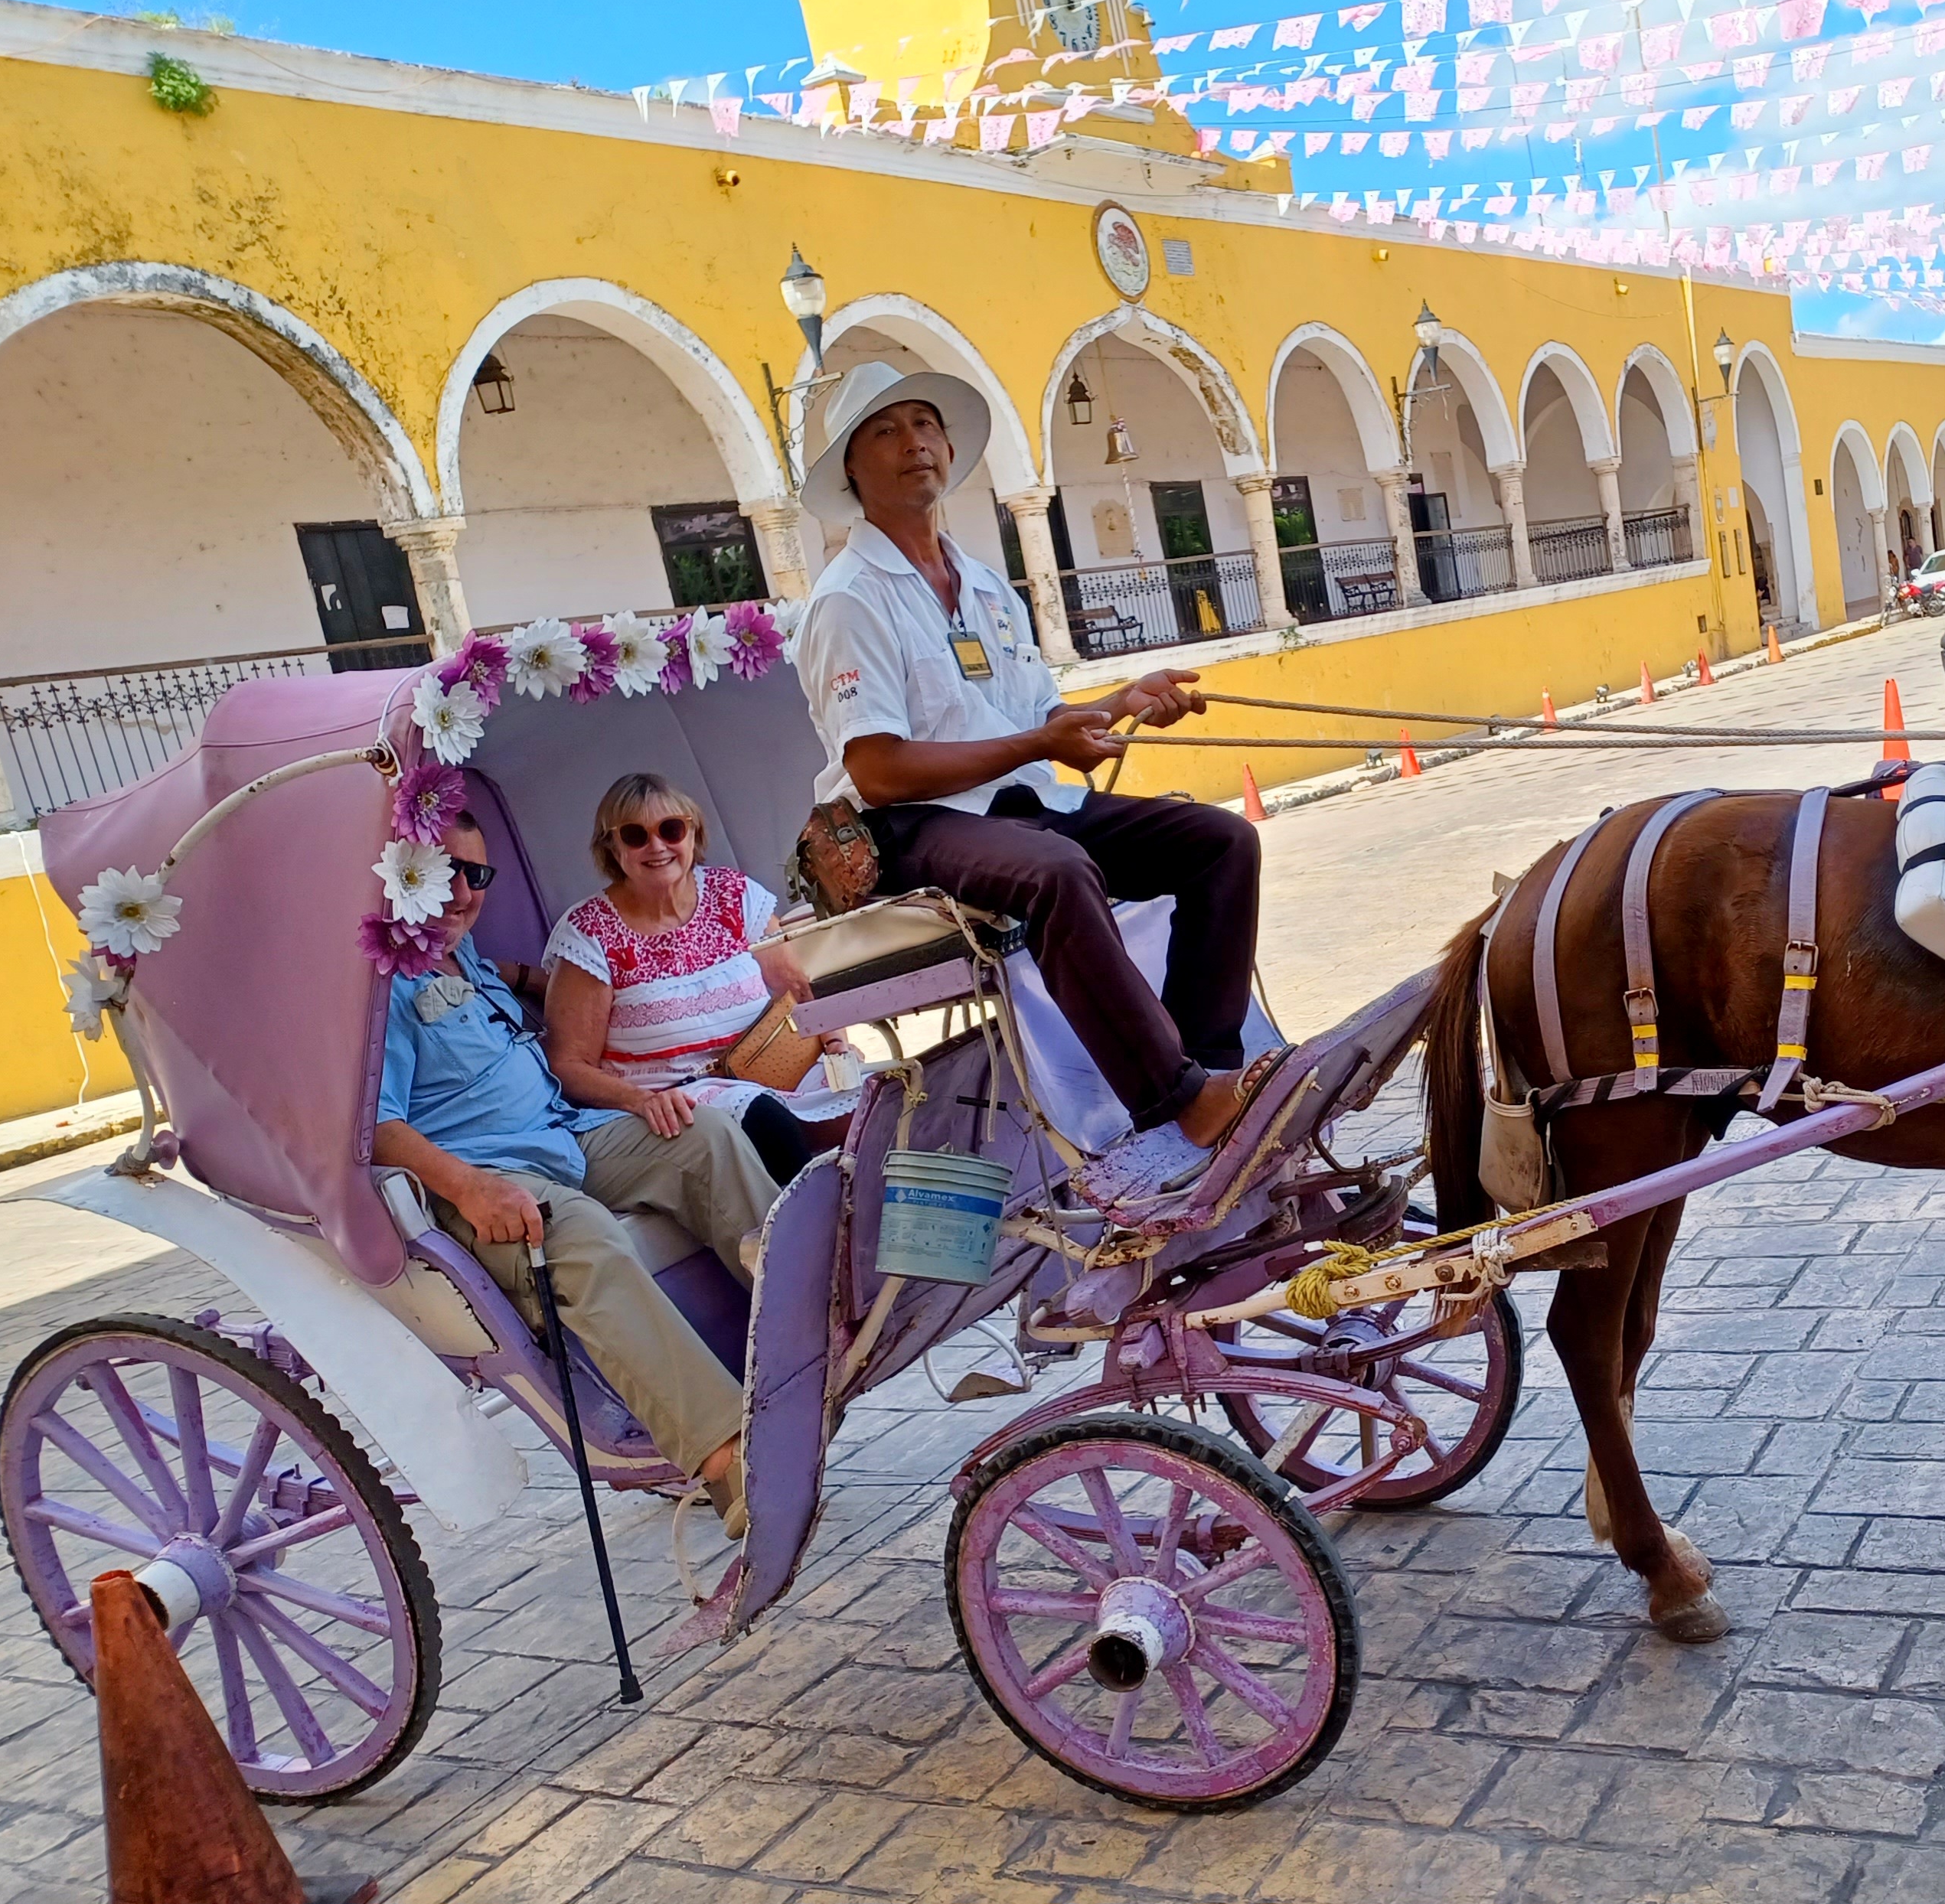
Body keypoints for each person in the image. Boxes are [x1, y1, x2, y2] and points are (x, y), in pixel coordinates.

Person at [792, 361, 1278, 1159]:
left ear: (948, 448)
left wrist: (1124, 701)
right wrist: (1041, 745)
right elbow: (878, 771)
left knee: (1221, 842)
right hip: (911, 823)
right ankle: (1177, 1099)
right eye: (884, 431)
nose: (914, 442)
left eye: (924, 424)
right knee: (1055, 873)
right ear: (851, 468)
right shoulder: (850, 597)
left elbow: (1041, 719)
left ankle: (1213, 1066)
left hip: (1020, 802)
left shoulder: (985, 585)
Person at [372, 811, 775, 1536]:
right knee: (582, 1234)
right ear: (406, 876)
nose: (463, 893)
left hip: (564, 1133)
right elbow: (375, 1126)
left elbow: (508, 995)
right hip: (490, 1174)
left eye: (477, 874)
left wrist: (543, 982)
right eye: (445, 872)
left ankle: (807, 1324)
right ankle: (727, 1459)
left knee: (705, 1133)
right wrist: (467, 1187)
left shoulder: (461, 954)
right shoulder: (381, 987)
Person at [542, 773, 850, 1185]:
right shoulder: (589, 932)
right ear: (612, 848)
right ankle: (817, 1224)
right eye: (635, 836)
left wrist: (836, 1044)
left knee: (877, 1094)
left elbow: (800, 989)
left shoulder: (733, 894)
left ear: (693, 833)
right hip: (673, 1100)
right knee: (765, 1119)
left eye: (670, 829)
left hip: (773, 1069)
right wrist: (640, 1101)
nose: (657, 846)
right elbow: (568, 1064)